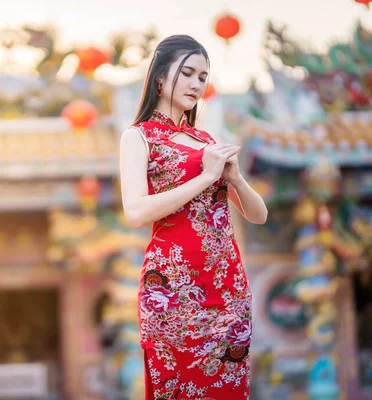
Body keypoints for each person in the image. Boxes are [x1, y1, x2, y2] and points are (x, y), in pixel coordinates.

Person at [119, 34, 268, 399]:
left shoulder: (207, 141)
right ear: (159, 78)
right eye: (187, 73)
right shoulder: (138, 137)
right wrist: (205, 177)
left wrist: (233, 177)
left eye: (203, 77)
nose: (196, 84)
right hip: (171, 288)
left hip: (226, 286)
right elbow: (136, 212)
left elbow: (258, 215)